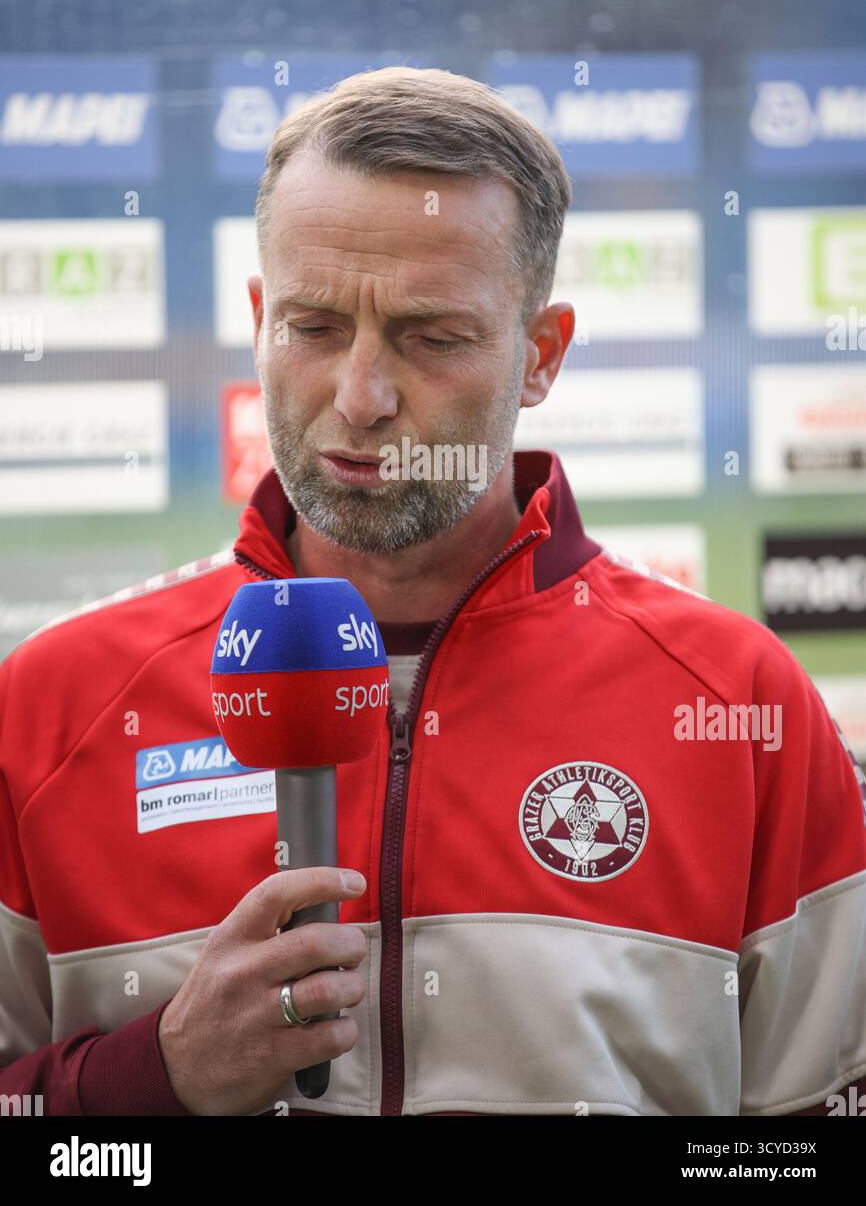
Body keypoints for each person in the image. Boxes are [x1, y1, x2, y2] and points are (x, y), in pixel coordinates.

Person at [1, 67, 864, 1117]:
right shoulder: (50, 704)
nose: (359, 398)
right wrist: (157, 1077)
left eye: (431, 337)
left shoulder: (739, 705)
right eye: (313, 328)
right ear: (259, 318)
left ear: (539, 354)